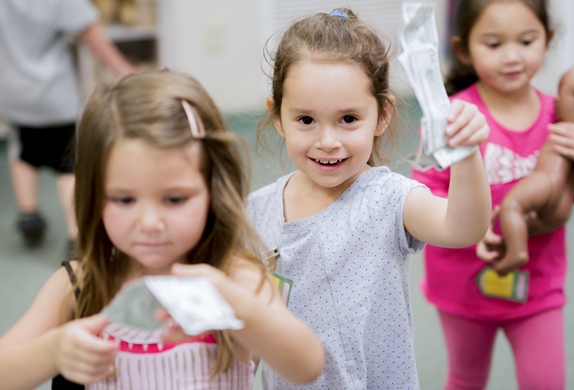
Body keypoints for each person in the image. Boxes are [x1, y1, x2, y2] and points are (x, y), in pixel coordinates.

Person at [0, 70, 325, 389]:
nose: (151, 223)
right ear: (94, 198)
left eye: (174, 199)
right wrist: (51, 351)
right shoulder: (79, 284)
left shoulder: (235, 278)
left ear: (212, 192)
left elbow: (306, 366)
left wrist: (237, 307)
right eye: (124, 199)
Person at [247, 7, 491, 389]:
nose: (328, 141)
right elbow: (249, 320)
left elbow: (464, 228)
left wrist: (467, 154)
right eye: (306, 120)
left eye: (348, 119)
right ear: (277, 115)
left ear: (382, 115)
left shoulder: (389, 198)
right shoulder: (256, 210)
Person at [411, 1, 569, 389]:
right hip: (461, 285)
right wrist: (472, 226)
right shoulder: (450, 118)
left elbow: (573, 200)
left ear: (547, 40)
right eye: (494, 44)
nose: (512, 56)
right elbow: (426, 191)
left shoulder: (561, 119)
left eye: (527, 40)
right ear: (464, 50)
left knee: (547, 382)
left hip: (538, 285)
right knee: (466, 377)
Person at [0, 0, 135, 250]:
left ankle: (28, 212)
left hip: (11, 94)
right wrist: (122, 69)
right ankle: (76, 233)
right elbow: (89, 30)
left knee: (23, 150)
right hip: (53, 95)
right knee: (69, 163)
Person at [486, 63, 574, 275]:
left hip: (548, 182)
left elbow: (570, 86)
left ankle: (516, 252)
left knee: (511, 206)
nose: (557, 101)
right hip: (561, 210)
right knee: (526, 225)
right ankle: (507, 245)